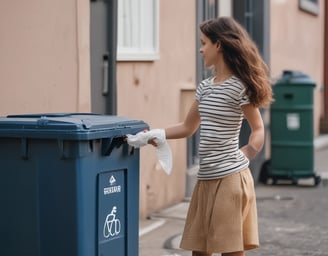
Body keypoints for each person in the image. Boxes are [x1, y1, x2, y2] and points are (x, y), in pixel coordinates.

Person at [130, 16, 273, 256]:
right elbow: (188, 126)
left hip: (230, 180)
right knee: (199, 251)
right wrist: (156, 134)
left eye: (204, 42)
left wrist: (248, 152)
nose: (200, 48)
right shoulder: (205, 87)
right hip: (205, 180)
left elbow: (258, 129)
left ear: (219, 45)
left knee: (231, 252)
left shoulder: (240, 87)